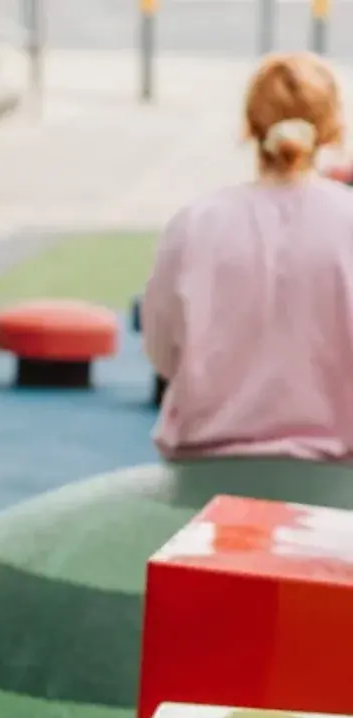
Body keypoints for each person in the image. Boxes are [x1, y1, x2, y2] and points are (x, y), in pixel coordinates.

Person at [141, 52, 353, 463]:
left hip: (205, 467)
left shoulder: (195, 223)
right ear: (332, 130)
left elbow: (162, 353)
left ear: (251, 127)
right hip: (338, 469)